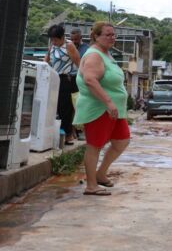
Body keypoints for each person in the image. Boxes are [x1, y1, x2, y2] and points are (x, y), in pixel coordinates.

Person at [74, 22, 130, 196]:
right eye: (107, 34)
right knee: (94, 145)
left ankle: (100, 174)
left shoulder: (106, 54)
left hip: (114, 109)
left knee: (122, 140)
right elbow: (90, 79)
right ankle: (91, 185)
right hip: (99, 107)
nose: (112, 37)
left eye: (113, 35)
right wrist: (108, 102)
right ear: (96, 36)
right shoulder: (94, 55)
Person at [44, 24, 81, 145]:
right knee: (56, 107)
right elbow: (47, 60)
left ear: (62, 37)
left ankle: (68, 135)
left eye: (55, 39)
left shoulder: (69, 46)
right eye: (52, 39)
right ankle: (58, 133)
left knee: (65, 108)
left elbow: (79, 63)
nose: (53, 42)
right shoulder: (52, 46)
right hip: (55, 78)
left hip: (68, 79)